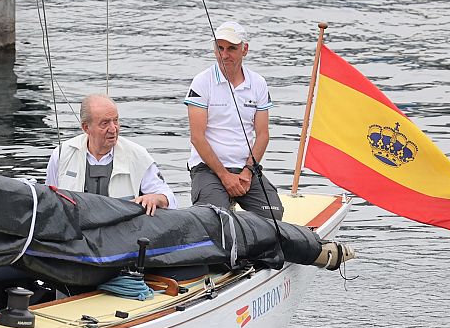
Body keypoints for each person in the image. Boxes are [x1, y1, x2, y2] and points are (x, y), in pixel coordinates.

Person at [184, 21, 283, 219]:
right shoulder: (202, 82)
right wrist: (224, 176)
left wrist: (247, 171)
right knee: (215, 217)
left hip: (245, 170)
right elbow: (197, 137)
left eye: (231, 48)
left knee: (274, 214)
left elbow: (263, 135)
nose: (224, 54)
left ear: (244, 49)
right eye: (219, 48)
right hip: (208, 169)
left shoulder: (258, 83)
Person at [46, 94, 177, 216]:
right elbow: (48, 201)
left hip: (123, 235)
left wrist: (155, 198)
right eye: (105, 123)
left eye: (115, 120)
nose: (113, 129)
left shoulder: (138, 156)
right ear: (86, 128)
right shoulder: (62, 154)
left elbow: (170, 199)